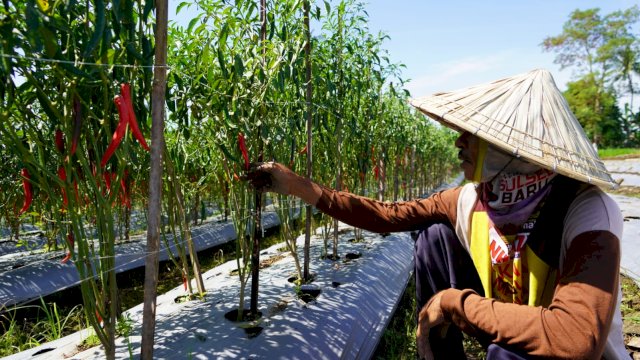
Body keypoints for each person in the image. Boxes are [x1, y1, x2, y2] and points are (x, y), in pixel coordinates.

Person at [246, 69, 627, 359]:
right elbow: (388, 215)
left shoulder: (587, 212)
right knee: (434, 236)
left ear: (513, 150)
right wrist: (297, 187)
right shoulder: (468, 199)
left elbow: (575, 340)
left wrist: (453, 303)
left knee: (509, 355)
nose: (459, 141)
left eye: (474, 135)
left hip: (555, 350)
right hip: (509, 327)